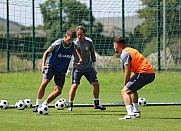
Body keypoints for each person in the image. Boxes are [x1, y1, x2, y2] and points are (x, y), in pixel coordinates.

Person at [33, 29, 82, 112]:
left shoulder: (73, 45)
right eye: (69, 39)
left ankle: (44, 104)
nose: (70, 41)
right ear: (65, 36)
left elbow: (78, 48)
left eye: (72, 40)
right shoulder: (58, 43)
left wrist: (80, 58)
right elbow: (46, 52)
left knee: (58, 91)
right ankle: (37, 104)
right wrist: (43, 65)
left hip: (62, 70)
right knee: (44, 83)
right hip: (51, 66)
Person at [113, 36, 155, 120]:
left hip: (144, 73)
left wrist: (125, 83)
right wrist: (129, 82)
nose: (114, 47)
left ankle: (130, 114)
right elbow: (136, 70)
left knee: (124, 91)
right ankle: (136, 112)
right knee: (132, 89)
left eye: (114, 45)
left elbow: (127, 71)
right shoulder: (130, 50)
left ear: (117, 45)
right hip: (149, 73)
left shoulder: (124, 54)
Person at [68, 26, 106, 112]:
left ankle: (96, 103)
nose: (79, 36)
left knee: (96, 84)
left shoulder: (89, 42)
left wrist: (94, 65)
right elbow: (69, 55)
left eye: (81, 34)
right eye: (77, 34)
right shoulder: (74, 43)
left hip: (88, 67)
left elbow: (92, 53)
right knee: (74, 86)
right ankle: (70, 105)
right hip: (77, 68)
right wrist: (69, 68)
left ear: (84, 34)